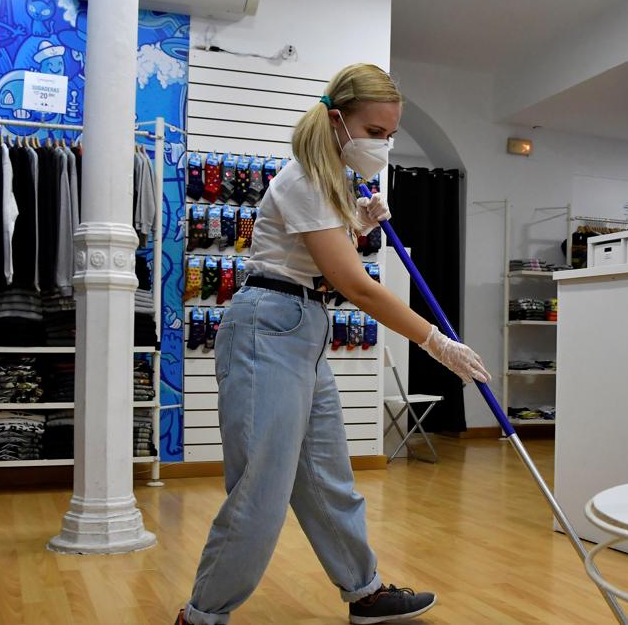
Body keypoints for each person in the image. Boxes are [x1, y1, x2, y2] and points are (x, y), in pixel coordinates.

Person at [180, 63, 490, 625]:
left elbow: (327, 268)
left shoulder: (334, 182)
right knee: (260, 490)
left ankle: (363, 591)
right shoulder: (305, 179)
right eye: (375, 132)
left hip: (303, 327)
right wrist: (435, 342)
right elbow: (353, 285)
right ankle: (201, 615)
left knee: (327, 474)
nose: (384, 145)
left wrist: (360, 226)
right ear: (338, 120)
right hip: (268, 326)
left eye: (391, 135)